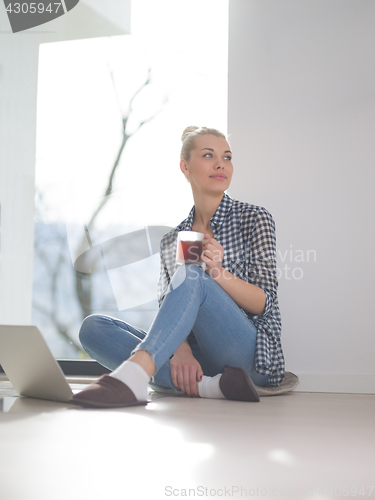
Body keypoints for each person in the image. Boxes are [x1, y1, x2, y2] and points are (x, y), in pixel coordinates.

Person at [71, 126, 284, 408]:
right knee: (93, 328)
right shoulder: (174, 238)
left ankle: (139, 373)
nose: (221, 164)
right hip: (197, 360)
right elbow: (169, 305)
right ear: (185, 166)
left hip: (248, 356)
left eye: (227, 157)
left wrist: (218, 273)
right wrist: (180, 349)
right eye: (208, 155)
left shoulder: (254, 218)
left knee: (192, 273)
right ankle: (211, 387)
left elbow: (264, 303)